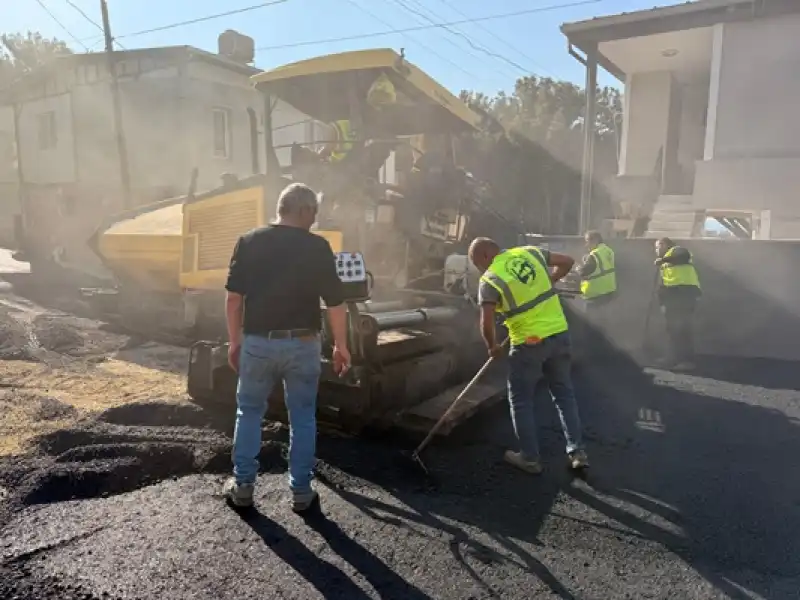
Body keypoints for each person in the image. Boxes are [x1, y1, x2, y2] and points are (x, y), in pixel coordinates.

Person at [223, 182, 351, 512]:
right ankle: (301, 494)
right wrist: (341, 346)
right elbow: (336, 304)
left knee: (249, 412)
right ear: (304, 210)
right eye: (314, 213)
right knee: (303, 418)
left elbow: (234, 299)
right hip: (303, 345)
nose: (315, 220)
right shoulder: (318, 247)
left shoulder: (249, 241)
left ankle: (244, 487)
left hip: (258, 344)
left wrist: (234, 341)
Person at [469, 237, 589, 474]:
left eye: (476, 263)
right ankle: (578, 452)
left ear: (485, 256)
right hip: (559, 333)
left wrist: (492, 346)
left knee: (521, 400)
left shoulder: (490, 279)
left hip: (529, 343)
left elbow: (486, 322)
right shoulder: (529, 252)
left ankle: (530, 458)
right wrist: (551, 280)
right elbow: (568, 261)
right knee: (564, 395)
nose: (479, 268)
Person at [654, 237, 701, 370]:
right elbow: (665, 284)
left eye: (658, 246)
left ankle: (687, 361)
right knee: (673, 329)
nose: (656, 250)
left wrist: (663, 259)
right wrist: (662, 301)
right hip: (674, 297)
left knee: (682, 328)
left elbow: (682, 256)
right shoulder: (665, 263)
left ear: (665, 245)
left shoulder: (677, 251)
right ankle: (673, 358)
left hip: (685, 294)